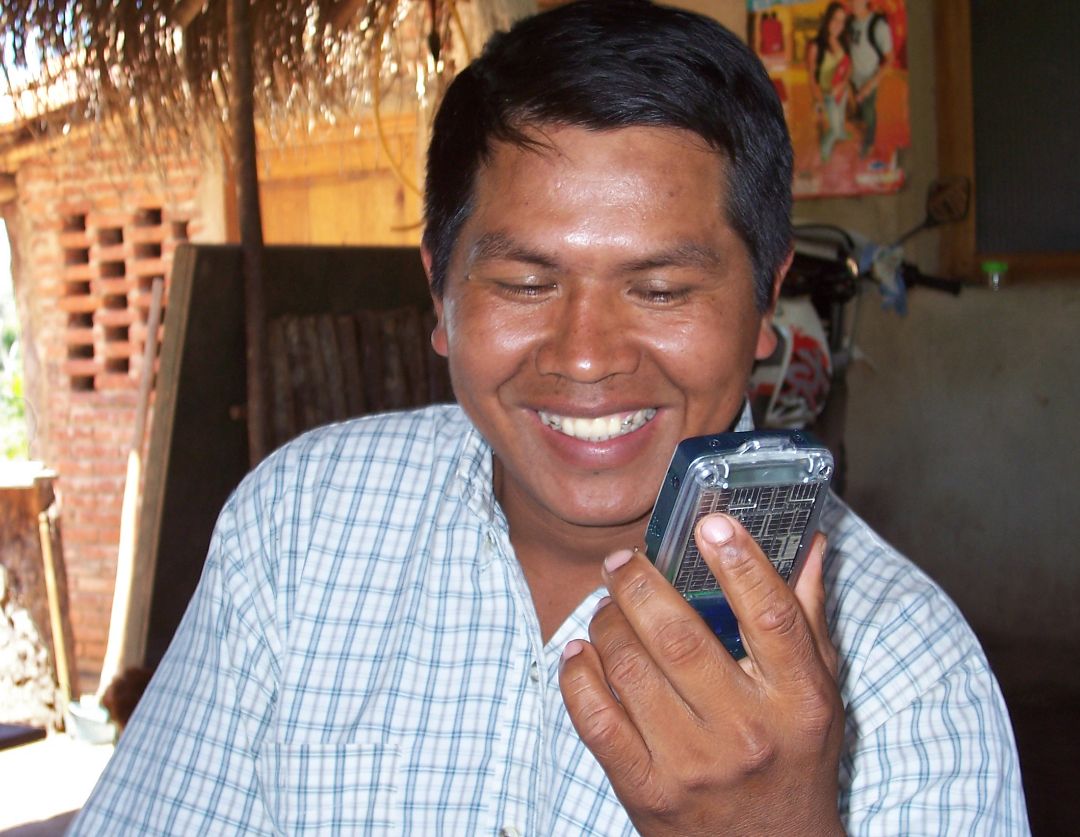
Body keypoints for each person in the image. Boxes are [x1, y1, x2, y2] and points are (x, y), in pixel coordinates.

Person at [70, 1, 1028, 833]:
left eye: (659, 289)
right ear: (441, 290)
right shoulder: (299, 529)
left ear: (765, 305)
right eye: (526, 282)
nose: (585, 356)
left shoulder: (906, 679)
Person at [846, 0, 894, 159]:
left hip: (869, 79)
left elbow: (889, 60)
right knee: (854, 117)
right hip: (852, 81)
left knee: (868, 114)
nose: (853, 3)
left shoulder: (878, 25)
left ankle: (868, 147)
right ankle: (862, 145)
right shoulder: (850, 23)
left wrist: (871, 84)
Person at [807, 2, 852, 162]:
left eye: (842, 21)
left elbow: (849, 67)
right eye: (835, 19)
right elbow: (812, 77)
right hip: (827, 95)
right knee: (832, 127)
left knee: (839, 120)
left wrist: (843, 84)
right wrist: (818, 101)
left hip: (842, 91)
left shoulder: (844, 42)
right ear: (827, 19)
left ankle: (840, 132)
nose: (838, 25)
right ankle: (825, 151)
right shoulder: (816, 46)